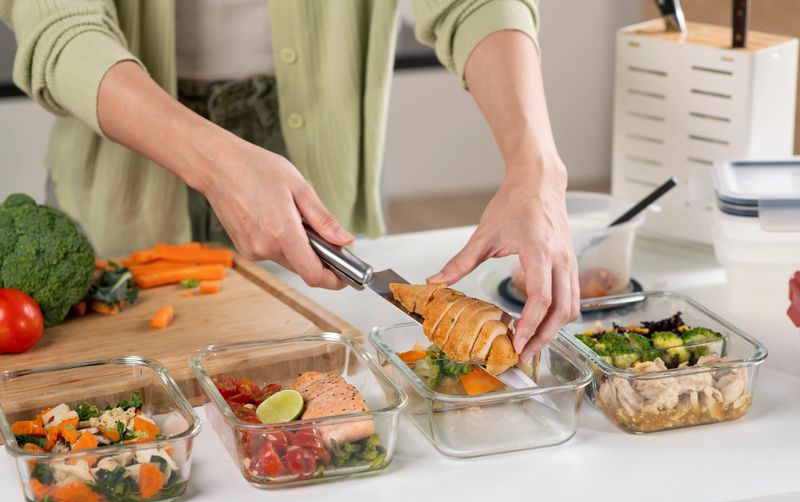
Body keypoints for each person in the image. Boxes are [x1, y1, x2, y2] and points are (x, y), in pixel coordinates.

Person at [1, 0, 578, 361]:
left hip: (315, 151)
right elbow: (62, 32)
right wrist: (216, 163)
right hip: (129, 145)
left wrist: (537, 168)